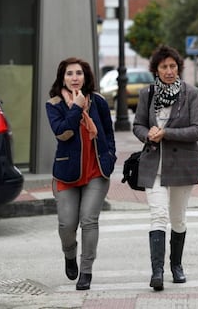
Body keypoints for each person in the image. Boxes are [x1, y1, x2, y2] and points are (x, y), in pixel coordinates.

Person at [133, 45, 198, 291]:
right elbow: (138, 125)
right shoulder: (147, 93)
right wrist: (148, 134)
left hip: (182, 165)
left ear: (178, 68)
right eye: (163, 66)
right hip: (154, 165)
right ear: (156, 69)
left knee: (178, 218)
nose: (169, 70)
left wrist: (166, 133)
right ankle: (157, 272)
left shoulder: (191, 93)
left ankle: (176, 265)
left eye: (172, 66)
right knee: (158, 215)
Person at [46, 57, 117, 290]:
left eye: (79, 73)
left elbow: (108, 131)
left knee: (89, 220)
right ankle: (69, 254)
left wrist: (110, 157)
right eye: (69, 73)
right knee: (67, 225)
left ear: (85, 77)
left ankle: (86, 271)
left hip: (96, 171)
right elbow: (63, 133)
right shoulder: (54, 104)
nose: (74, 77)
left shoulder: (98, 101)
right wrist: (76, 107)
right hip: (67, 172)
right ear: (62, 78)